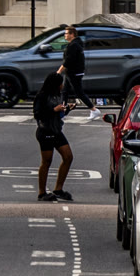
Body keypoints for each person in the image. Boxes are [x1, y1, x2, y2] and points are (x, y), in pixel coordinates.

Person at [33, 72, 73, 202]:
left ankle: (58, 189)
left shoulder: (58, 95)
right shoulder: (42, 96)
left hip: (56, 130)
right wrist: (53, 110)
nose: (62, 86)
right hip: (45, 131)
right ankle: (42, 192)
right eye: (60, 83)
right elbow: (38, 114)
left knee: (68, 157)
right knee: (47, 161)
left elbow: (59, 114)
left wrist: (66, 109)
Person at [60, 25, 99, 118]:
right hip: (71, 72)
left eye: (66, 33)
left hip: (74, 72)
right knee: (64, 91)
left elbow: (68, 60)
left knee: (79, 92)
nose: (65, 35)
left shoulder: (73, 45)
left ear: (72, 34)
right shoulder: (75, 44)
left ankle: (94, 110)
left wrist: (59, 71)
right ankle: (62, 111)